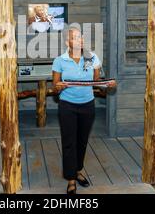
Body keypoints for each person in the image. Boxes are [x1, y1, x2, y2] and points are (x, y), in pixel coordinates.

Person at [52, 27, 116, 194]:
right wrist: (57, 87)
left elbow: (96, 83)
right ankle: (71, 179)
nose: (80, 40)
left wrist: (107, 84)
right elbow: (55, 88)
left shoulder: (91, 57)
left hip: (87, 105)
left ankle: (78, 170)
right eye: (75, 38)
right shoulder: (60, 60)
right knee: (69, 143)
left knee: (82, 141)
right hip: (67, 106)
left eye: (81, 37)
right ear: (68, 42)